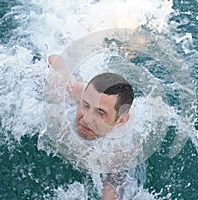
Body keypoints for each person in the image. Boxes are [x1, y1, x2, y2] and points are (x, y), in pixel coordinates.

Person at [46, 54, 135, 200]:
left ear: (120, 121)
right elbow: (54, 59)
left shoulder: (117, 151)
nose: (87, 119)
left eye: (100, 113)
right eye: (85, 105)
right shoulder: (75, 92)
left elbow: (111, 190)